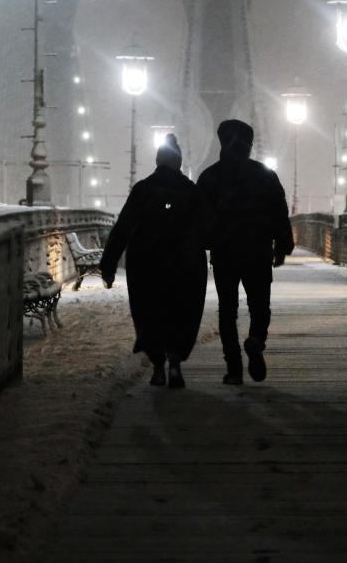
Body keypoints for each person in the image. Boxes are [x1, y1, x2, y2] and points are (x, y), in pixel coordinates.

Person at [99, 134, 209, 389]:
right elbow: (207, 228)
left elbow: (122, 228)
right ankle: (175, 363)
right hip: (185, 264)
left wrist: (108, 266)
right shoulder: (192, 191)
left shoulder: (143, 189)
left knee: (151, 312)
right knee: (183, 312)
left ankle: (158, 366)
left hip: (147, 264)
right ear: (179, 163)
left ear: (158, 161)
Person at [196, 119, 294, 385]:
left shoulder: (209, 177)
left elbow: (199, 217)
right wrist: (283, 245)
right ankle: (256, 341)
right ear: (249, 145)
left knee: (227, 311)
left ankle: (234, 369)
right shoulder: (265, 175)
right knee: (260, 306)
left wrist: (206, 242)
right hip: (258, 251)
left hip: (224, 253)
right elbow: (279, 212)